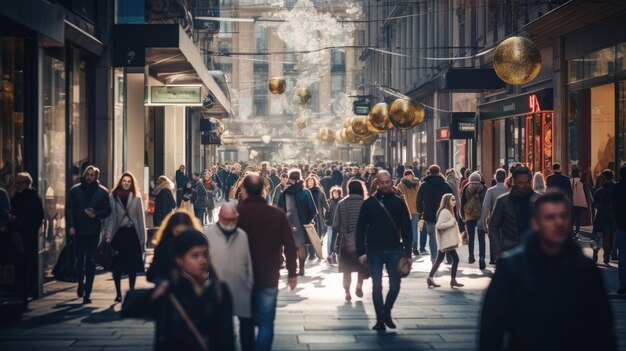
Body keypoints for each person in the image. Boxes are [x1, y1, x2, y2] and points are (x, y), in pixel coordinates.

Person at [480, 192, 616, 351]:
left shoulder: (586, 269)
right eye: (550, 217)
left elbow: (603, 329)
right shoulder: (511, 267)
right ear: (535, 223)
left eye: (563, 216)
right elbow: (491, 329)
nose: (558, 222)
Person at [122, 229, 235, 351]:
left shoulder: (220, 290)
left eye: (205, 254)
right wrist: (153, 295)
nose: (202, 260)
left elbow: (227, 338)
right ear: (179, 260)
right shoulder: (171, 292)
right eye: (195, 255)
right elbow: (129, 307)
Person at [237, 173, 298, 351]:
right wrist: (292, 273)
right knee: (266, 321)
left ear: (244, 191)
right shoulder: (276, 214)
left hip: (243, 277)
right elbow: (290, 245)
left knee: (245, 321)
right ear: (264, 190)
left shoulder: (237, 214)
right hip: (269, 275)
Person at [356, 171, 412, 331]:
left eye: (388, 182)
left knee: (395, 285)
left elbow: (407, 229)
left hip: (395, 249)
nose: (386, 185)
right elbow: (360, 229)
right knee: (376, 285)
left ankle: (386, 311)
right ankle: (380, 319)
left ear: (391, 182)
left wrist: (408, 254)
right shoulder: (369, 204)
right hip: (374, 250)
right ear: (377, 183)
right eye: (383, 182)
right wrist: (361, 252)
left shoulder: (398, 202)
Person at [204, 205, 254, 351]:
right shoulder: (209, 234)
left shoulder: (242, 235)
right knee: (223, 328)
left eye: (233, 219)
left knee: (247, 327)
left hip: (241, 287)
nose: (230, 222)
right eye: (227, 219)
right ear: (219, 217)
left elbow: (248, 263)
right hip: (218, 289)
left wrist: (250, 284)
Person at [67, 165, 111, 304]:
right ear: (84, 175)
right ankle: (80, 282)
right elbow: (69, 209)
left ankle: (88, 292)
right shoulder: (75, 190)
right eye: (88, 174)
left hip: (93, 231)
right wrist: (71, 226)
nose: (89, 177)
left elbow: (107, 211)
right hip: (78, 230)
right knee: (80, 261)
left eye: (92, 175)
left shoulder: (102, 192)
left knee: (90, 262)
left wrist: (95, 214)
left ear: (96, 176)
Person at [104, 172, 146, 303]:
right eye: (124, 181)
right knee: (117, 265)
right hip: (119, 234)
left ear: (132, 183)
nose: (126, 183)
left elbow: (140, 219)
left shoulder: (137, 198)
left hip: (132, 234)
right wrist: (108, 234)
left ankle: (132, 290)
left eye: (129, 181)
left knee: (132, 265)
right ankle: (118, 293)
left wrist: (142, 237)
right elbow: (110, 218)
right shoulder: (113, 196)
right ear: (120, 182)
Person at [10, 172, 44, 311]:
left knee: (25, 265)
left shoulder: (32, 196)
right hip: (18, 235)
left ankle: (25, 294)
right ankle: (21, 293)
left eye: (19, 182)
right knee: (20, 265)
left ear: (26, 183)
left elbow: (38, 216)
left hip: (27, 236)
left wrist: (25, 225)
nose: (16, 184)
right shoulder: (17, 196)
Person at [488, 167, 538, 260]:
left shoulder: (539, 201)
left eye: (527, 182)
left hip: (534, 253)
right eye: (520, 182)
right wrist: (498, 252)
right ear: (514, 181)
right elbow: (493, 226)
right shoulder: (503, 201)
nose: (524, 185)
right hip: (509, 251)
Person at [333, 180, 368, 302]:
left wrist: (344, 231)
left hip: (346, 242)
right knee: (361, 267)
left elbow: (335, 224)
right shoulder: (365, 204)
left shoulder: (342, 204)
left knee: (346, 270)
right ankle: (359, 285)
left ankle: (347, 292)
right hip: (363, 242)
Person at [277, 169, 317, 275]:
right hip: (303, 224)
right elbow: (313, 210)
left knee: (289, 247)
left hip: (288, 224)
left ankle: (292, 268)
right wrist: (307, 221)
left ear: (290, 179)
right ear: (300, 178)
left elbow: (280, 210)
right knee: (301, 246)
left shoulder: (285, 193)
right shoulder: (306, 192)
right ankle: (302, 268)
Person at [147, 211, 203, 284]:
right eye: (178, 232)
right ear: (171, 230)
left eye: (184, 233)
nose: (181, 237)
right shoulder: (164, 246)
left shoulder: (197, 244)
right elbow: (152, 273)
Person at [416, 165, 454, 263]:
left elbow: (419, 200)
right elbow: (451, 200)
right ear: (439, 172)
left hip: (429, 215)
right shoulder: (446, 185)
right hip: (443, 215)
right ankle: (447, 257)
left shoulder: (424, 185)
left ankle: (434, 259)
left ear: (429, 172)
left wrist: (420, 211)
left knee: (432, 237)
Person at [427, 193, 464, 288]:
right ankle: (453, 280)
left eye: (454, 199)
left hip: (446, 241)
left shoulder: (447, 211)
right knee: (455, 259)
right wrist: (452, 222)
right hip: (447, 241)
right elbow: (439, 225)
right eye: (452, 200)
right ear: (447, 201)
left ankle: (430, 278)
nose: (454, 201)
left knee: (439, 259)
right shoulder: (445, 212)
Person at [478, 169, 509, 265]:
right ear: (505, 177)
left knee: (494, 238)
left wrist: (482, 222)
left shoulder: (491, 191)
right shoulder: (509, 189)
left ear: (495, 177)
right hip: (507, 220)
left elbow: (485, 206)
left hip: (494, 218)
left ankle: (493, 258)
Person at [461, 172, 487, 268]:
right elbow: (486, 202)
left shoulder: (466, 188)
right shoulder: (484, 188)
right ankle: (482, 258)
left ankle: (471, 256)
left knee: (471, 237)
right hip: (480, 215)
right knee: (481, 238)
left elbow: (462, 202)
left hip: (469, 215)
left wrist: (463, 216)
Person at [592, 169, 616, 264]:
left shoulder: (599, 191)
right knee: (608, 236)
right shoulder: (616, 189)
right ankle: (607, 255)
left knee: (596, 236)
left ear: (604, 178)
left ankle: (595, 252)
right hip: (613, 216)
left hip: (601, 215)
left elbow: (595, 205)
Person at [397, 170, 420, 255]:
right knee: (411, 230)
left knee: (411, 230)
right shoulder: (415, 184)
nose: (409, 177)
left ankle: (412, 248)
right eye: (408, 175)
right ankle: (412, 248)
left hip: (410, 210)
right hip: (409, 210)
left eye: (410, 175)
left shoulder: (416, 184)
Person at [305, 176, 329, 260]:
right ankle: (311, 254)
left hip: (318, 217)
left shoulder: (319, 192)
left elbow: (325, 204)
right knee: (309, 235)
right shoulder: (304, 191)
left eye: (312, 181)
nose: (310, 182)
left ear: (315, 182)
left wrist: (328, 212)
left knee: (318, 234)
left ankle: (317, 252)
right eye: (309, 181)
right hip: (307, 216)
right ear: (307, 182)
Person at [613, 166, 626, 294]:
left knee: (622, 255)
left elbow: (614, 206)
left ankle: (623, 285)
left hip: (621, 224)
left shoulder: (617, 188)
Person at [570, 168, 590, 235]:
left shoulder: (570, 180)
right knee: (578, 216)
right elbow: (586, 191)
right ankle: (577, 230)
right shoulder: (582, 180)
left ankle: (572, 230)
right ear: (578, 173)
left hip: (572, 201)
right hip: (580, 202)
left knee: (572, 216)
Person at [325, 186, 342, 264]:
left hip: (340, 224)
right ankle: (331, 255)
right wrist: (327, 220)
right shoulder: (329, 201)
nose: (335, 194)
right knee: (332, 240)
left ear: (339, 193)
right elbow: (327, 212)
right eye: (333, 193)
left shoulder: (342, 201)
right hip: (332, 223)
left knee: (339, 241)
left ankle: (337, 255)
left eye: (336, 193)